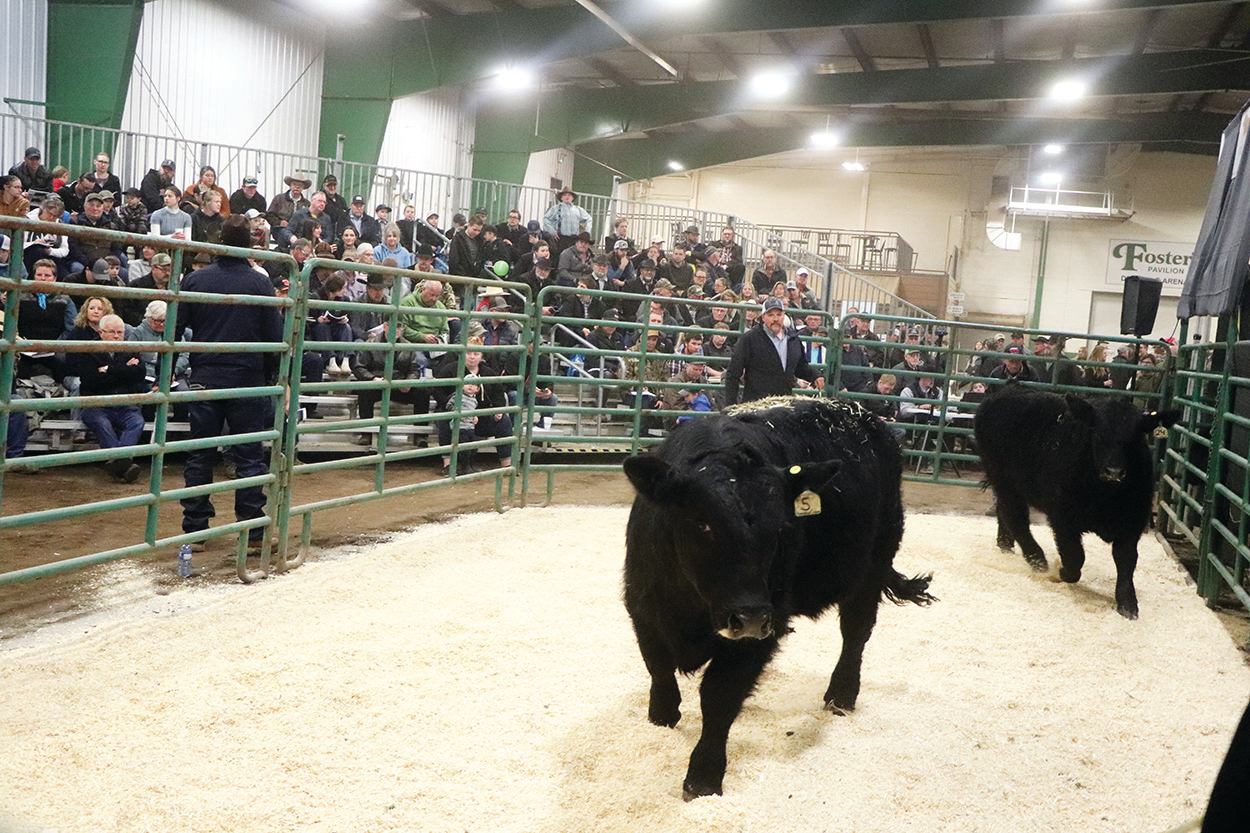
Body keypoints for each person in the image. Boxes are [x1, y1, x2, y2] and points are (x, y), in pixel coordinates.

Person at [175, 216, 284, 553]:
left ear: (219, 240)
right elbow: (274, 338)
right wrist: (268, 376)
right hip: (247, 379)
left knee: (199, 455)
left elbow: (176, 329)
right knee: (249, 455)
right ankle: (251, 530)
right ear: (250, 243)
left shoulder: (195, 280)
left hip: (206, 377)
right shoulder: (260, 283)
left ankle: (195, 529)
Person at [70, 314, 146, 482]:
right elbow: (91, 380)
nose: (118, 336)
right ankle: (124, 463)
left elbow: (140, 374)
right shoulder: (88, 351)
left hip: (125, 404)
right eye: (113, 332)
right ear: (101, 332)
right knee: (101, 423)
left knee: (136, 422)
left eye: (120, 332)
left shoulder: (131, 349)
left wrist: (108, 370)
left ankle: (117, 463)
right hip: (96, 403)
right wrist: (124, 370)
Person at [723, 297, 825, 405]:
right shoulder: (750, 339)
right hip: (756, 405)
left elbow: (800, 367)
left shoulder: (793, 338)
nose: (775, 319)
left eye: (779, 314)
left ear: (784, 316)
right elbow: (733, 373)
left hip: (783, 404)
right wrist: (731, 405)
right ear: (763, 317)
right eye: (770, 315)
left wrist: (815, 375)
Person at [433, 339, 513, 474]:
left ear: (481, 356)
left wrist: (499, 409)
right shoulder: (451, 369)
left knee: (504, 421)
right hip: (455, 415)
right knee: (444, 419)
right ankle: (447, 465)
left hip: (480, 417)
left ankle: (506, 465)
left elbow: (498, 393)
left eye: (476, 353)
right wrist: (453, 406)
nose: (472, 356)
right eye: (469, 353)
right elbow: (437, 391)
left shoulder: (488, 373)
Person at [542, 186, 591, 258]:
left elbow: (589, 219)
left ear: (572, 198)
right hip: (561, 239)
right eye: (564, 195)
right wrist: (552, 231)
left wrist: (587, 232)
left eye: (569, 195)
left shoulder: (578, 210)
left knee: (574, 259)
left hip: (575, 240)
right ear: (561, 198)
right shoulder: (556, 209)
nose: (567, 197)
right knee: (560, 259)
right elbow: (546, 219)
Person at [267, 174, 311, 249]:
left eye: (300, 185)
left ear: (303, 188)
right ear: (290, 185)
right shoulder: (279, 199)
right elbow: (269, 215)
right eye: (294, 184)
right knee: (283, 235)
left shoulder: (307, 204)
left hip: (299, 232)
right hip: (280, 229)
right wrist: (279, 222)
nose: (297, 187)